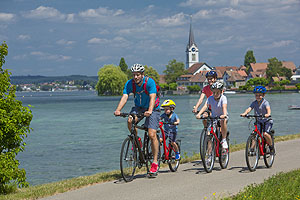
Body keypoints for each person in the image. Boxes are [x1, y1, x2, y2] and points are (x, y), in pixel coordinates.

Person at [114, 63, 161, 175]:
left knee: (152, 134)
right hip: (138, 107)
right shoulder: (130, 83)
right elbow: (125, 96)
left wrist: (149, 111)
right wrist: (118, 110)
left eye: (138, 75)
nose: (135, 77)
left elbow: (152, 97)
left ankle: (154, 163)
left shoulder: (149, 82)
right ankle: (137, 141)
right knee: (130, 121)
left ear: (142, 74)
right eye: (134, 74)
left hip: (153, 108)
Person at [240, 86, 274, 153]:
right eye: (256, 95)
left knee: (265, 134)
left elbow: (268, 109)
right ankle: (252, 149)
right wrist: (245, 113)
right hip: (259, 121)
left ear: (264, 95)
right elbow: (249, 108)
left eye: (260, 95)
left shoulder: (265, 102)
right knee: (255, 134)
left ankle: (271, 147)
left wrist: (268, 114)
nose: (258, 97)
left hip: (267, 121)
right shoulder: (254, 103)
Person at [196, 81, 229, 149]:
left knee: (223, 121)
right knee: (209, 135)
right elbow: (205, 106)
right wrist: (199, 114)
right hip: (213, 117)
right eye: (214, 92)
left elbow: (224, 107)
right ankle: (209, 154)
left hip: (222, 116)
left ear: (221, 92)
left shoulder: (223, 98)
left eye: (217, 92)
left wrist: (224, 115)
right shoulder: (210, 98)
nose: (215, 94)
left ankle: (224, 139)